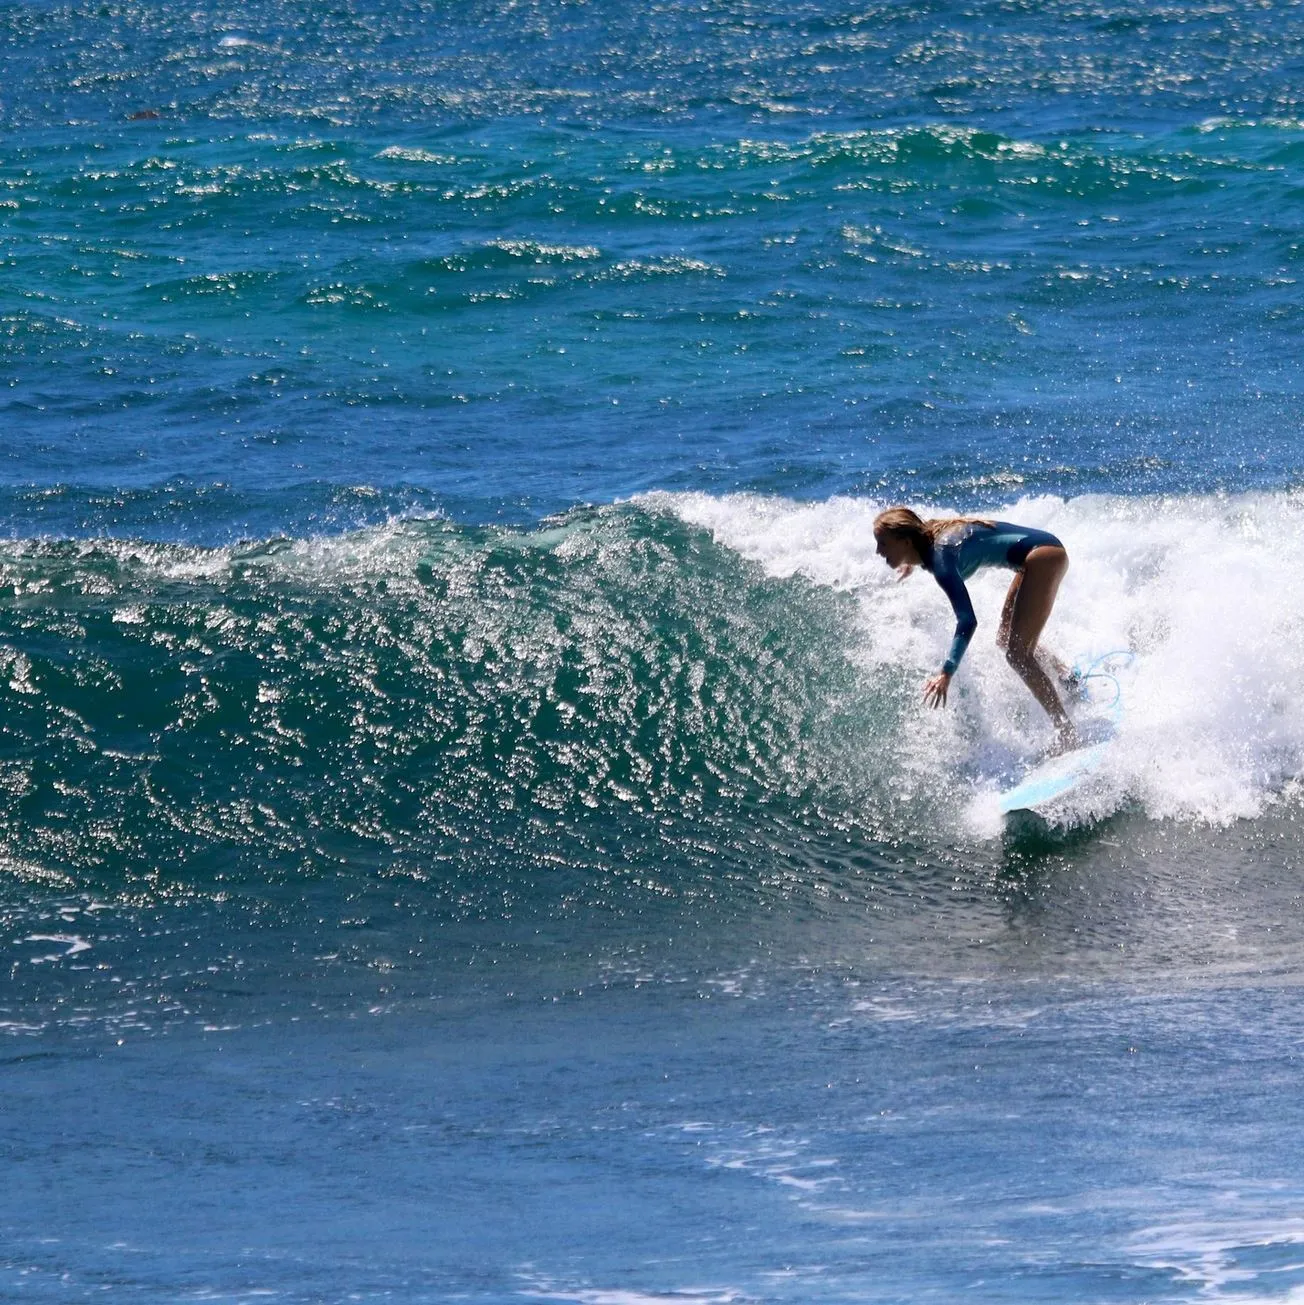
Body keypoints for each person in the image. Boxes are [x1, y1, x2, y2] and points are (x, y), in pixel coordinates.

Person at [872, 507, 1078, 751]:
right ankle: (1069, 678)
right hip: (1038, 553)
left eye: (883, 543)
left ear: (905, 541)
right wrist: (909, 561)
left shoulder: (940, 561)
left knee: (1018, 654)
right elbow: (924, 545)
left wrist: (947, 672)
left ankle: (1067, 731)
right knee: (1006, 639)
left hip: (1042, 558)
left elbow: (968, 620)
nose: (878, 551)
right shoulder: (926, 540)